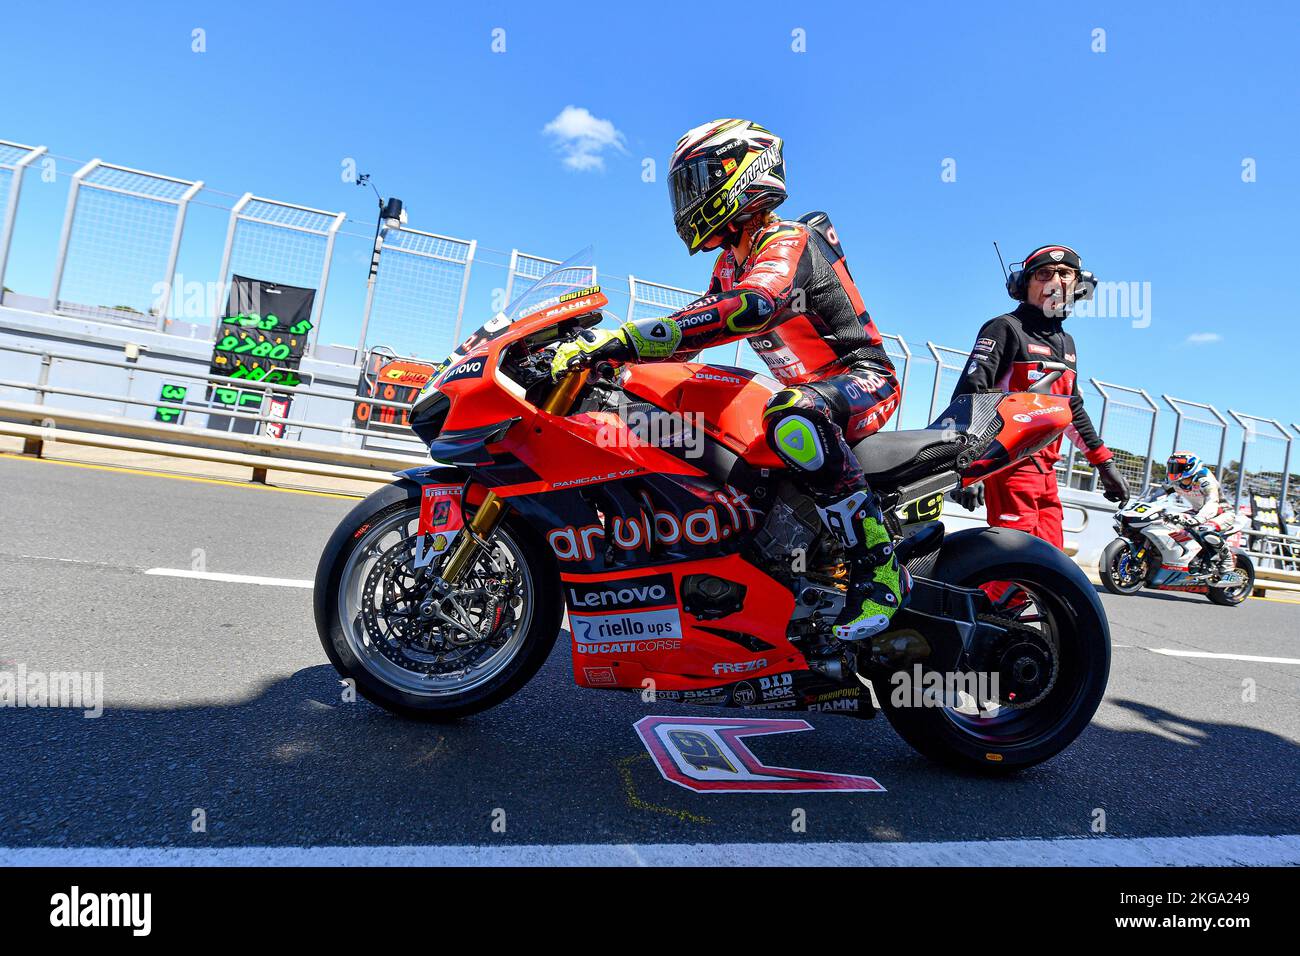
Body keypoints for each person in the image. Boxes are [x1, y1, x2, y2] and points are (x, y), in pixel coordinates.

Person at [549, 119, 908, 642]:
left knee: (791, 413)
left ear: (743, 173)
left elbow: (755, 305)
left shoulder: (789, 239)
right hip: (808, 392)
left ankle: (880, 567)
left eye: (698, 181)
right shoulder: (728, 264)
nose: (687, 199)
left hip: (863, 378)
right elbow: (695, 331)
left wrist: (630, 336)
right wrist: (610, 358)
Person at [951, 243, 1129, 548]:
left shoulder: (1067, 342)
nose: (1055, 282)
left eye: (1065, 274)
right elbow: (970, 396)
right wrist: (969, 466)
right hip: (1009, 464)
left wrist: (1105, 465)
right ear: (1024, 285)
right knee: (1016, 561)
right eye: (1044, 274)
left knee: (1051, 561)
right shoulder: (1005, 328)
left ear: (1079, 286)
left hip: (1046, 471)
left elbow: (1071, 408)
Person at [1143, 452, 1237, 576]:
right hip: (1197, 511)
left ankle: (1227, 560)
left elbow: (1212, 503)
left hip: (1221, 513)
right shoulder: (1175, 481)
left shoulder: (1204, 480)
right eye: (1172, 466)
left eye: (1177, 467)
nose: (1173, 470)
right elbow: (1157, 495)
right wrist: (1144, 506)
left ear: (1189, 467)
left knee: (1205, 529)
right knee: (1168, 524)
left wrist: (1198, 519)